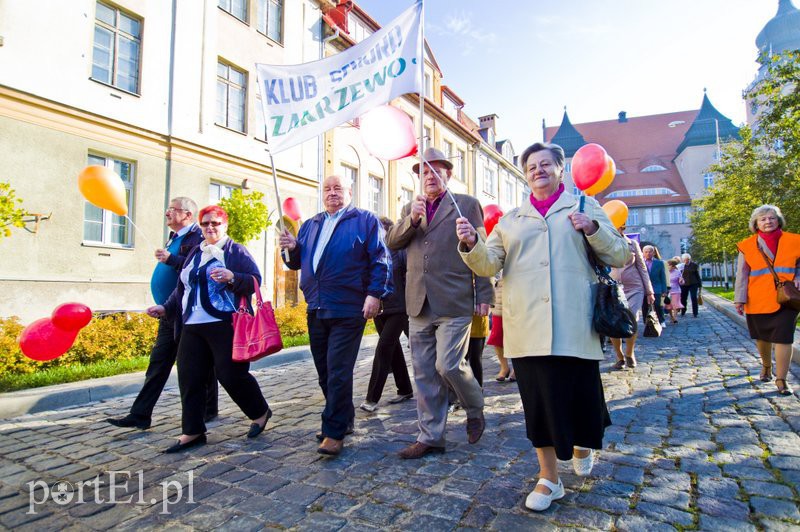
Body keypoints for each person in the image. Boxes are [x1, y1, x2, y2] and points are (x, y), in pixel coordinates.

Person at [456, 142, 628, 512]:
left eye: (546, 164)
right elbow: (488, 264)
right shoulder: (510, 220)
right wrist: (470, 243)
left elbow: (620, 254)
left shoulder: (583, 206)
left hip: (575, 321)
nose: (538, 170)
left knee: (580, 396)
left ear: (560, 170)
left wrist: (594, 228)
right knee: (539, 403)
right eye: (531, 166)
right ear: (525, 174)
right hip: (527, 323)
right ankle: (549, 479)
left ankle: (582, 443)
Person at [386, 147, 493, 460]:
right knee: (424, 373)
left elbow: (481, 250)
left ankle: (475, 408)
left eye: (436, 170)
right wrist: (412, 219)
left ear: (448, 173)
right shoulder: (411, 207)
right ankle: (431, 436)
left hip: (455, 301)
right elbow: (393, 241)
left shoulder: (468, 205)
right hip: (418, 303)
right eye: (423, 172)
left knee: (448, 365)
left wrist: (484, 294)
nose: (429, 176)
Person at [279, 175, 392, 456]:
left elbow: (381, 258)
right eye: (327, 189)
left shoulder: (364, 220)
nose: (332, 193)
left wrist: (375, 294)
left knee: (339, 370)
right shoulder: (311, 224)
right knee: (325, 372)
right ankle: (344, 417)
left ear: (349, 192)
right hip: (317, 306)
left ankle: (333, 431)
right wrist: (291, 249)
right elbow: (296, 264)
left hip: (348, 306)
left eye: (337, 188)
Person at [146, 205, 271, 453]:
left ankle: (260, 412)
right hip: (191, 324)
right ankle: (192, 431)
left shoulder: (235, 251)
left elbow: (255, 281)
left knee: (230, 374)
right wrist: (166, 308)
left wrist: (232, 277)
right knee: (190, 377)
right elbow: (184, 287)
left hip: (223, 324)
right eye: (205, 224)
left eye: (215, 223)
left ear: (225, 225)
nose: (210, 227)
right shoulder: (196, 251)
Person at [107, 197, 218, 430]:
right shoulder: (175, 238)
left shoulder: (197, 237)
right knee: (159, 363)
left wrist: (172, 259)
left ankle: (208, 410)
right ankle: (140, 414)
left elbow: (197, 268)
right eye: (168, 208)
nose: (167, 213)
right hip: (169, 312)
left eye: (173, 209)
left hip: (187, 313)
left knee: (198, 364)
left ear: (187, 215)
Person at [734, 205, 800, 396]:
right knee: (762, 337)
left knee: (784, 337)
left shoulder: (794, 240)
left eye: (771, 218)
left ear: (778, 220)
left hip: (788, 298)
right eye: (762, 219)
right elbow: (742, 274)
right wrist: (739, 299)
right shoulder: (747, 245)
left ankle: (782, 380)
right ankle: (766, 366)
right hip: (758, 297)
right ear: (755, 224)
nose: (767, 222)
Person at [360, 217, 413, 413]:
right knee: (393, 349)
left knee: (383, 348)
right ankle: (405, 388)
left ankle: (372, 398)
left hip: (399, 308)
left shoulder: (400, 252)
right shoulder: (371, 254)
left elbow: (410, 278)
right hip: (379, 309)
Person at [609, 227, 655, 370]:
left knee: (632, 319)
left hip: (634, 288)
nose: (619, 228)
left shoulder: (633, 244)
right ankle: (619, 356)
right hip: (613, 287)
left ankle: (630, 353)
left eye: (621, 225)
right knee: (613, 322)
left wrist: (649, 291)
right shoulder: (604, 241)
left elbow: (642, 268)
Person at [488, 274, 514, 382]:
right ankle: (504, 367)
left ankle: (517, 369)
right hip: (499, 294)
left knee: (518, 336)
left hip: (517, 290)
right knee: (497, 335)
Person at [643, 245, 668, 327]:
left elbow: (663, 277)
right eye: (646, 252)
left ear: (653, 253)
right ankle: (646, 321)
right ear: (643, 253)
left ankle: (661, 321)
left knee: (657, 305)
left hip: (656, 287)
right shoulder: (640, 263)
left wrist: (664, 290)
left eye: (650, 251)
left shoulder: (659, 263)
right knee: (645, 306)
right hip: (644, 288)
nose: (648, 253)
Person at [680, 253, 702, 317]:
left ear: (690, 259)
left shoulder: (694, 265)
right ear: (683, 260)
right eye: (685, 260)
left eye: (688, 259)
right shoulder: (681, 266)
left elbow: (697, 275)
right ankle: (683, 310)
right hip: (684, 284)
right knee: (683, 298)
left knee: (693, 297)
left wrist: (699, 284)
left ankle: (695, 312)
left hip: (693, 283)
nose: (686, 261)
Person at [665, 259, 685, 324]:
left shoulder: (677, 272)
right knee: (669, 306)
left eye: (669, 265)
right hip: (667, 291)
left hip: (676, 290)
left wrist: (681, 281)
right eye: (667, 265)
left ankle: (674, 317)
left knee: (675, 305)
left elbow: (681, 282)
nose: (668, 267)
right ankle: (671, 317)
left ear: (673, 266)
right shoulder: (665, 272)